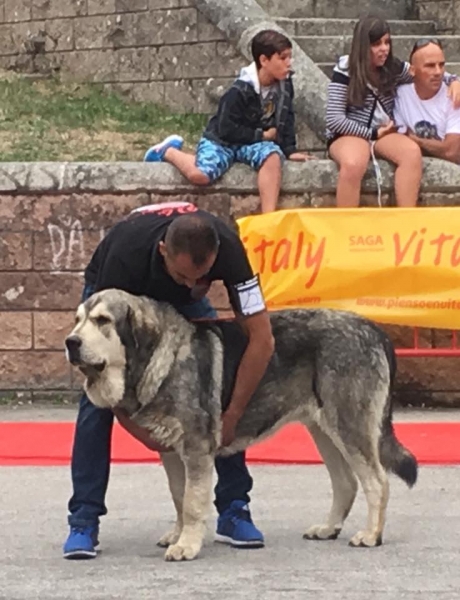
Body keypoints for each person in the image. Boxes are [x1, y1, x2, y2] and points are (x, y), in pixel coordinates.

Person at [63, 201, 275, 559]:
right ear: (164, 251)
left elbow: (262, 339)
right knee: (96, 397)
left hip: (183, 311)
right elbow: (116, 383)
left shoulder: (231, 251)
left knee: (212, 388)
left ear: (216, 257)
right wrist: (141, 428)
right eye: (184, 278)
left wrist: (232, 414)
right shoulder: (125, 255)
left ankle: (234, 508)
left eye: (202, 278)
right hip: (118, 296)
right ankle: (84, 520)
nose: (193, 286)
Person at [143, 29, 313, 214]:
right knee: (200, 175)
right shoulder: (239, 91)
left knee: (272, 156)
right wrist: (261, 135)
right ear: (264, 60)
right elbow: (225, 128)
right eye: (283, 58)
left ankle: (268, 217)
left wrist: (289, 149)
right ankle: (168, 151)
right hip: (223, 140)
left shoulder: (285, 85)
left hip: (252, 142)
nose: (289, 63)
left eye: (290, 57)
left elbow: (287, 116)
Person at [326, 15, 460, 208]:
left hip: (383, 132)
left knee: (411, 152)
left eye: (387, 42)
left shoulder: (393, 67)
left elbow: (427, 70)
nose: (384, 49)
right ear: (363, 46)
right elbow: (334, 119)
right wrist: (370, 133)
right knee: (354, 162)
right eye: (377, 44)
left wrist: (454, 80)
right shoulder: (345, 70)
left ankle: (405, 218)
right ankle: (346, 224)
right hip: (348, 132)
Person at [394, 38, 460, 164]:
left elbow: (451, 151)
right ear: (412, 71)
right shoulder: (401, 95)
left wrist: (417, 140)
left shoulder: (455, 96)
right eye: (430, 66)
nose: (438, 72)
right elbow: (400, 137)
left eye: (441, 65)